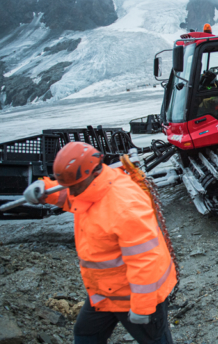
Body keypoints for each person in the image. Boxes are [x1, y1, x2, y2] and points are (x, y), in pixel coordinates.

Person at [22, 142, 176, 344]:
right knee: (86, 335)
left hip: (135, 295)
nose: (71, 191)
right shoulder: (88, 189)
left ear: (92, 174)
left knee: (155, 341)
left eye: (74, 186)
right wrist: (45, 190)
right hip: (104, 292)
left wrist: (143, 307)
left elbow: (145, 260)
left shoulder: (124, 206)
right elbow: (70, 196)